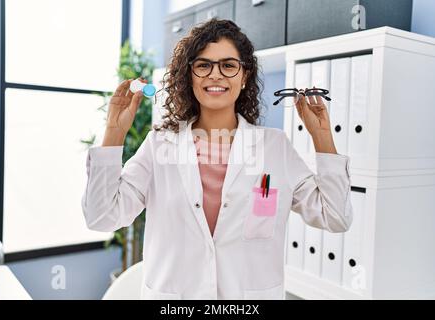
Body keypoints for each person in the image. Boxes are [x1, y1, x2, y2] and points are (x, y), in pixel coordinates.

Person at [82, 19, 352, 300]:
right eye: (203, 65)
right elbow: (102, 217)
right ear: (190, 76)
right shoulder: (159, 145)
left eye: (228, 65)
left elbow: (335, 217)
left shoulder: (274, 147)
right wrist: (114, 131)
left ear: (244, 75)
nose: (216, 75)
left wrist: (322, 137)